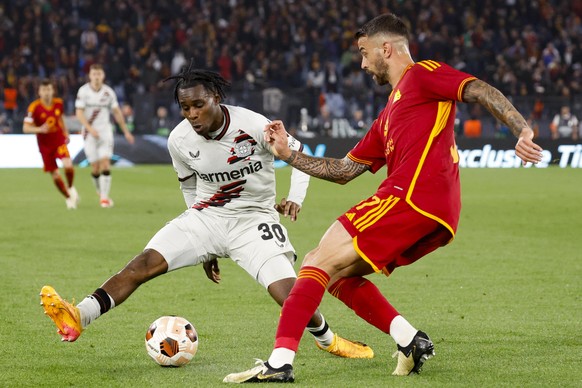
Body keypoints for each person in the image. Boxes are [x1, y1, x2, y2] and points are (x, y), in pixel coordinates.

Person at [224, 13, 543, 383]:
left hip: (411, 197)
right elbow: (343, 171)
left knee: (316, 261)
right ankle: (409, 340)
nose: (361, 63)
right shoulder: (388, 115)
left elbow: (481, 90)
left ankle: (280, 362)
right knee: (337, 276)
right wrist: (289, 155)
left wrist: (522, 129)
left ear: (386, 48)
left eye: (364, 52)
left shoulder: (422, 74)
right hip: (433, 211)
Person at [39, 69, 373, 361]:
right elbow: (189, 189)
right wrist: (202, 246)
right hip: (206, 218)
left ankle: (329, 340)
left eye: (199, 105)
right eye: (185, 108)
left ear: (215, 98)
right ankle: (80, 315)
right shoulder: (178, 141)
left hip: (254, 220)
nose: (192, 114)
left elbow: (299, 154)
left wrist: (295, 198)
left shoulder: (254, 124)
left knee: (290, 296)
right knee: (141, 264)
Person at [75, 64, 135, 208]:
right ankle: (99, 190)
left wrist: (126, 131)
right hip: (89, 134)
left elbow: (117, 113)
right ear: (90, 76)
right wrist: (90, 128)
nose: (96, 77)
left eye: (99, 74)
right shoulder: (83, 91)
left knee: (105, 164)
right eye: (94, 74)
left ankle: (104, 197)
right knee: (95, 167)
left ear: (103, 76)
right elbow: (79, 113)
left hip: (105, 132)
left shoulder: (109, 92)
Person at [23, 79, 79, 209]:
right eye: (44, 90)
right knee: (55, 175)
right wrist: (39, 129)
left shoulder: (59, 103)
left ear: (53, 90)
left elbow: (61, 119)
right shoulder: (34, 107)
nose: (47, 92)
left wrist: (66, 133)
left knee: (68, 165)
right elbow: (25, 128)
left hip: (59, 141)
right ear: (39, 92)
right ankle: (68, 198)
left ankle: (70, 187)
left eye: (48, 89)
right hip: (45, 146)